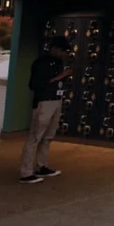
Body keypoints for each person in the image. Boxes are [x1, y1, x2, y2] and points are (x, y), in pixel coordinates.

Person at [19, 34, 72, 184]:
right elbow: (33, 85)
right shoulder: (40, 63)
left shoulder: (58, 62)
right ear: (54, 48)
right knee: (34, 137)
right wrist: (58, 77)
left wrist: (62, 78)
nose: (63, 54)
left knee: (48, 137)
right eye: (62, 51)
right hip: (44, 102)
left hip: (56, 100)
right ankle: (26, 172)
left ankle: (42, 166)